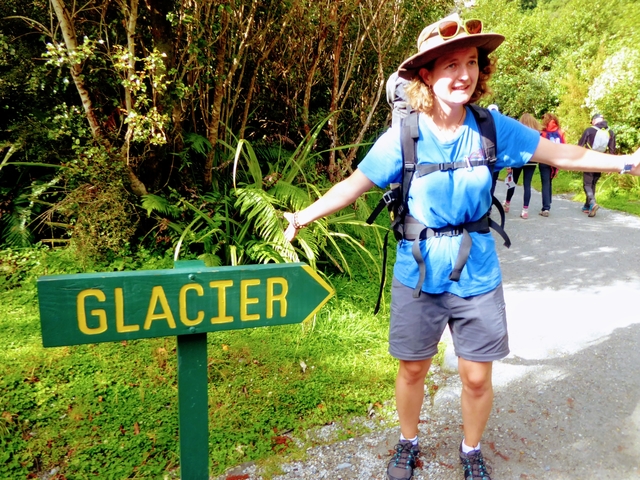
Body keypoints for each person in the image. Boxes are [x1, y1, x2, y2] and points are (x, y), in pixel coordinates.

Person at [282, 12, 640, 480]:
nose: (464, 74)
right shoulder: (405, 135)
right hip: (419, 270)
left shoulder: (493, 128)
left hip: (477, 270)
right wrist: (304, 215)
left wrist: (626, 164)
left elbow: (562, 154)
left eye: (471, 62)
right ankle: (408, 442)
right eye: (450, 64)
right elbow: (355, 184)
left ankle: (470, 450)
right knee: (412, 370)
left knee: (476, 376)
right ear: (426, 75)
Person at [502, 113, 541, 219]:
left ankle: (507, 203)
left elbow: (512, 147)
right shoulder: (536, 133)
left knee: (513, 181)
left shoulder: (518, 132)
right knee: (527, 184)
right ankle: (525, 210)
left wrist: (509, 163)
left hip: (518, 160)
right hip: (532, 161)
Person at [578, 113, 617, 216]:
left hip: (589, 159)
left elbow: (580, 146)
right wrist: (611, 166)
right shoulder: (610, 132)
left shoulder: (589, 130)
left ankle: (592, 203)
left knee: (587, 184)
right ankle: (587, 206)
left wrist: (576, 160)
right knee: (593, 183)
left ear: (594, 121)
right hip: (601, 160)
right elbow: (612, 151)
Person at [538, 113, 566, 217]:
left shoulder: (543, 133)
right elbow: (564, 146)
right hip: (555, 160)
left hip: (545, 159)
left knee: (545, 183)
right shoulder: (561, 132)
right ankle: (548, 203)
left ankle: (546, 208)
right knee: (549, 181)